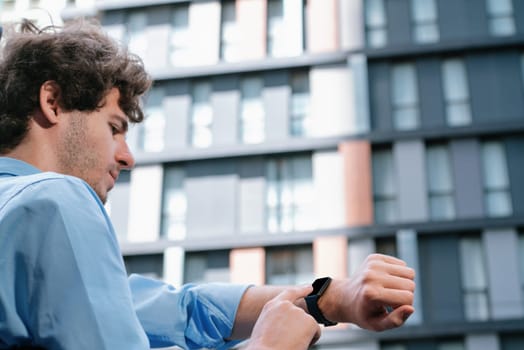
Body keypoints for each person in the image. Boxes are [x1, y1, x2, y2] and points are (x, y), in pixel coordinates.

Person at [0, 19, 415, 350]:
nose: (127, 157)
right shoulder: (55, 200)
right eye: (114, 129)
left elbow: (179, 310)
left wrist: (332, 299)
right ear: (52, 103)